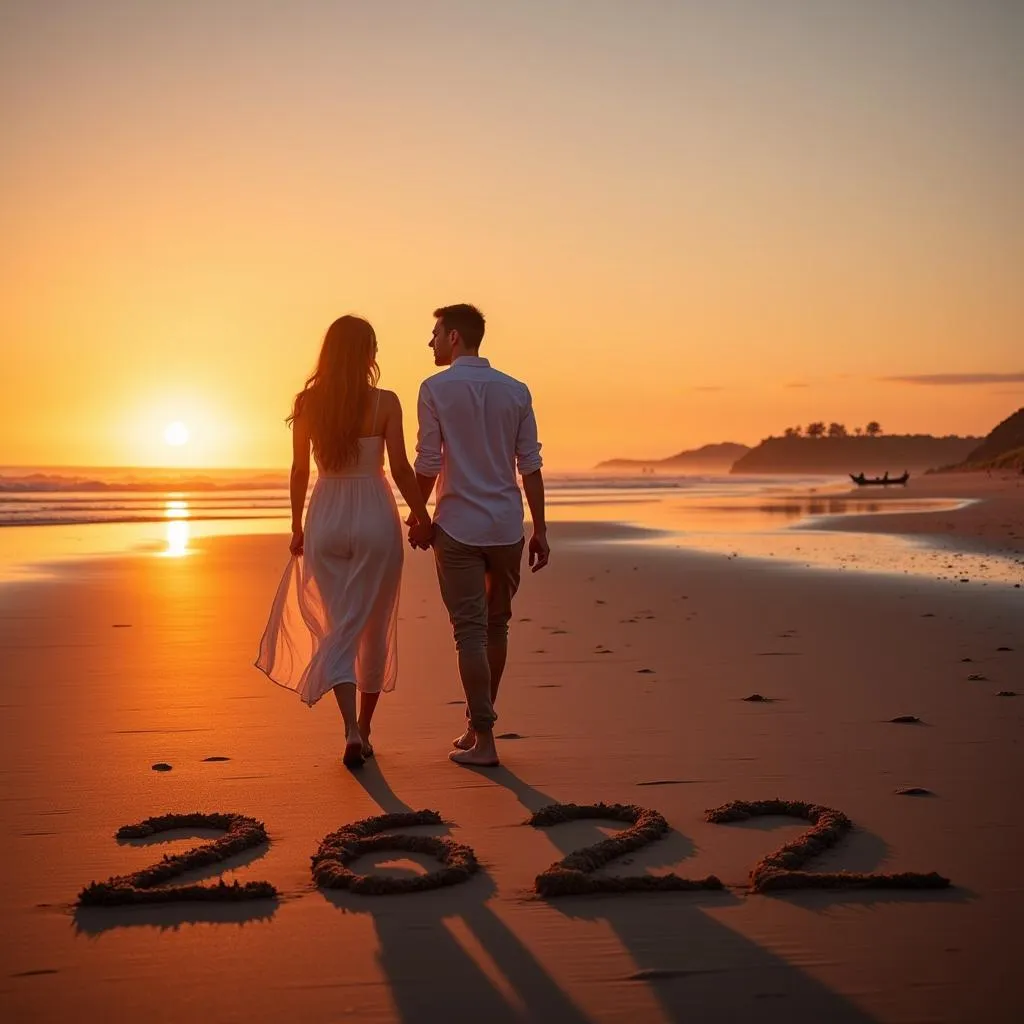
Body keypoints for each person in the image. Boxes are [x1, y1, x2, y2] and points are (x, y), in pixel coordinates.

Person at [256, 315, 433, 768]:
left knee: (339, 627)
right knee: (373, 627)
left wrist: (297, 526)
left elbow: (299, 471)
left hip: (327, 515)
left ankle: (350, 728)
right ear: (368, 353)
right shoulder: (385, 402)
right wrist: (420, 512)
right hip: (374, 513)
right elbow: (399, 468)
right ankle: (367, 729)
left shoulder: (309, 403)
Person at [411, 303, 549, 767]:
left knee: (469, 633)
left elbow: (429, 461)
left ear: (454, 337)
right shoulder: (516, 390)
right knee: (496, 626)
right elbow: (529, 464)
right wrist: (541, 529)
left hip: (459, 527)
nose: (429, 341)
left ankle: (485, 739)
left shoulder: (434, 389)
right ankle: (476, 727)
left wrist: (417, 514)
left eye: (434, 333)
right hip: (507, 527)